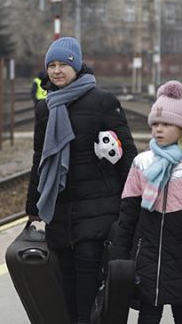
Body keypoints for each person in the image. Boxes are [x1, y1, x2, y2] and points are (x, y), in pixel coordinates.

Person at [25, 37, 138, 323]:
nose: (57, 70)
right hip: (60, 211)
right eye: (51, 65)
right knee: (67, 284)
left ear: (76, 66)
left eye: (63, 64)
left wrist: (133, 205)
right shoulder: (45, 108)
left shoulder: (103, 102)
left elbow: (128, 155)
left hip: (98, 206)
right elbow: (40, 159)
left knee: (88, 283)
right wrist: (33, 208)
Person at [110, 80, 182, 324]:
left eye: (166, 124)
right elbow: (127, 214)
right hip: (146, 259)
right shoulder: (142, 163)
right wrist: (118, 255)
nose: (158, 129)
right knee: (148, 315)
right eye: (155, 124)